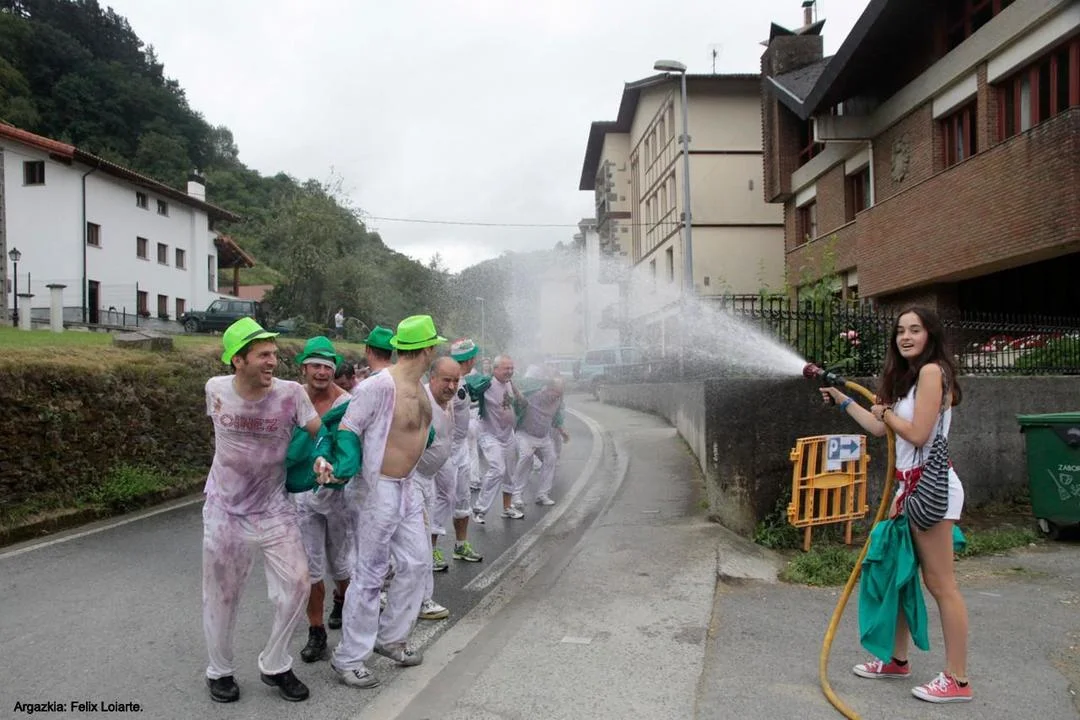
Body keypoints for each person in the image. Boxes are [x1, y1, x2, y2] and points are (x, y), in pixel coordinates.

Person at [820, 306, 971, 704]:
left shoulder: (932, 371)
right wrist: (843, 401)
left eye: (915, 330)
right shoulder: (907, 378)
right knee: (899, 574)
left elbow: (918, 435)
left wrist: (886, 412)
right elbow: (879, 426)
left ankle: (958, 680)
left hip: (931, 491)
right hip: (909, 490)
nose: (906, 336)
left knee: (941, 584)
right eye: (901, 330)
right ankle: (895, 659)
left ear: (930, 334)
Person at [201, 317, 321, 704]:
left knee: (298, 583)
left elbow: (320, 432)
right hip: (225, 511)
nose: (273, 361)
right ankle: (219, 671)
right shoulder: (215, 389)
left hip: (273, 509)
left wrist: (325, 458)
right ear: (238, 360)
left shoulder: (291, 394)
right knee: (221, 595)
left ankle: (275, 662)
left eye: (273, 354)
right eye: (263, 355)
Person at [326, 315, 446, 689]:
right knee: (370, 574)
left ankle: (391, 637)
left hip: (406, 487)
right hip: (376, 489)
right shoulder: (378, 386)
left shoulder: (420, 389)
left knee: (417, 562)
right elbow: (348, 427)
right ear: (427, 349)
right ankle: (349, 657)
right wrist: (345, 465)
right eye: (434, 346)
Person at [291, 337, 353, 665]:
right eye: (315, 365)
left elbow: (354, 445)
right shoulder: (291, 398)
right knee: (309, 570)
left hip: (339, 496)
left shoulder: (347, 403)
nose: (321, 372)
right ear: (304, 368)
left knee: (341, 565)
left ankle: (343, 601)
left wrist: (338, 471)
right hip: (302, 497)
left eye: (327, 367)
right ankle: (316, 632)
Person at [413, 356, 461, 621]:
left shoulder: (447, 401)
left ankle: (408, 597)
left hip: (427, 480)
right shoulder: (420, 402)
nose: (451, 386)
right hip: (411, 480)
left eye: (455, 380)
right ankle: (421, 600)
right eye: (446, 380)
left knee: (418, 544)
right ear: (432, 378)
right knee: (418, 545)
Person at [434, 338, 484, 564]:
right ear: (470, 359)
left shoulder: (461, 381)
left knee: (463, 499)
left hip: (461, 447)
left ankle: (461, 545)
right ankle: (430, 551)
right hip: (445, 450)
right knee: (440, 499)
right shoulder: (448, 383)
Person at [469, 355, 525, 522]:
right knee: (497, 469)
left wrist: (520, 398)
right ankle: (479, 509)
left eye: (511, 368)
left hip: (508, 434)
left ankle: (507, 508)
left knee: (510, 473)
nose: (510, 371)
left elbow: (517, 399)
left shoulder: (509, 383)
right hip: (489, 434)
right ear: (495, 369)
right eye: (506, 368)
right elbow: (470, 387)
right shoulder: (487, 384)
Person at [511, 370, 569, 506]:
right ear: (548, 389)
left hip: (543, 437)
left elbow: (556, 417)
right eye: (556, 392)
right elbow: (518, 399)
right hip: (525, 434)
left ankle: (542, 494)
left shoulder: (558, 400)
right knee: (526, 458)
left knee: (551, 459)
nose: (557, 395)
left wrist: (562, 431)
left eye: (560, 393)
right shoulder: (534, 395)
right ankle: (516, 494)